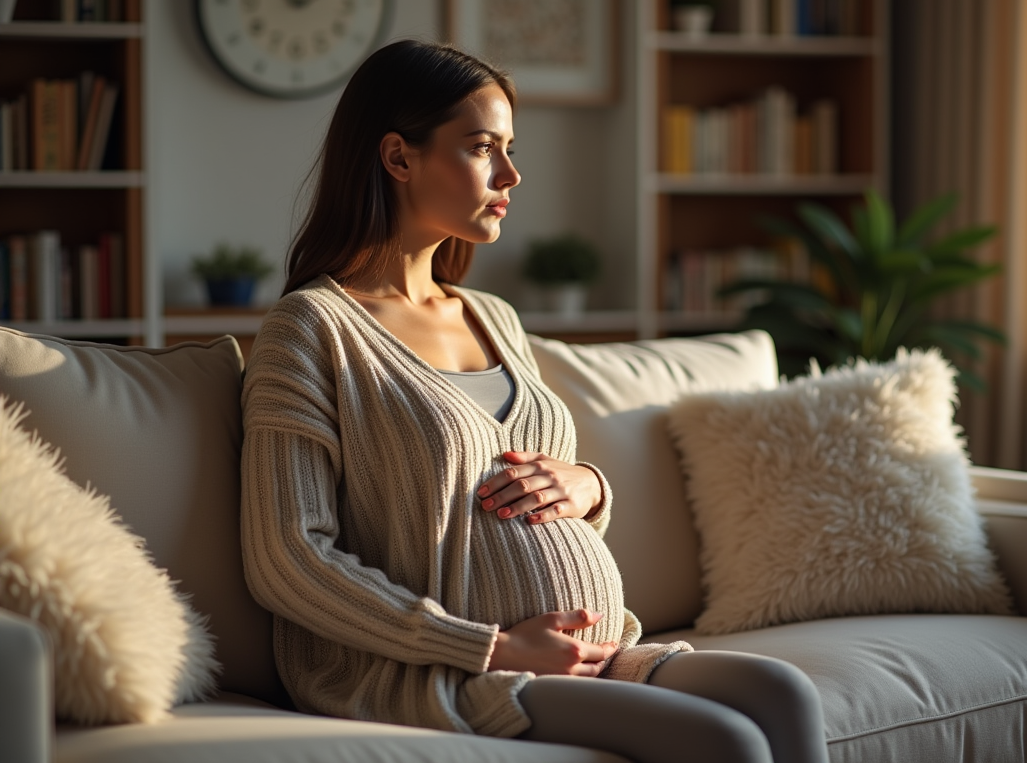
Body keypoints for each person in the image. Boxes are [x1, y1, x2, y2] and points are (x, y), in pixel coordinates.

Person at [240, 39, 827, 763]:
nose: (511, 175)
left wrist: (591, 487)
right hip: (448, 671)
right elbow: (287, 557)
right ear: (398, 157)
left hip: (592, 651)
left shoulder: (494, 316)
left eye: (509, 149)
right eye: (483, 148)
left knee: (783, 691)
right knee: (726, 740)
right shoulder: (311, 329)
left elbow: (532, 486)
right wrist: (487, 646)